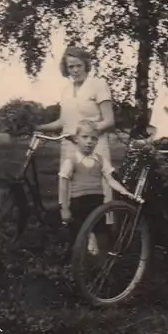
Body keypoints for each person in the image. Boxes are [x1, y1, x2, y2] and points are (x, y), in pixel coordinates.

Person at [35, 46, 116, 209]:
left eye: (78, 65)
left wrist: (86, 135)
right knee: (70, 189)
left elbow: (109, 121)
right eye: (71, 66)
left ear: (86, 64)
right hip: (69, 147)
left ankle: (99, 230)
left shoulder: (98, 84)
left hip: (93, 147)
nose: (75, 70)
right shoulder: (66, 90)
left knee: (95, 191)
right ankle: (74, 228)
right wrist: (37, 127)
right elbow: (62, 122)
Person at [58, 120, 138, 251]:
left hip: (97, 202)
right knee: (80, 232)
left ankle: (97, 258)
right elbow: (63, 182)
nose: (89, 141)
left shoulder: (100, 160)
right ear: (76, 139)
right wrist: (64, 208)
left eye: (94, 138)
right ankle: (83, 253)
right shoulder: (71, 160)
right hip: (79, 202)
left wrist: (124, 192)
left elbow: (110, 180)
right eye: (85, 137)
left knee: (101, 232)